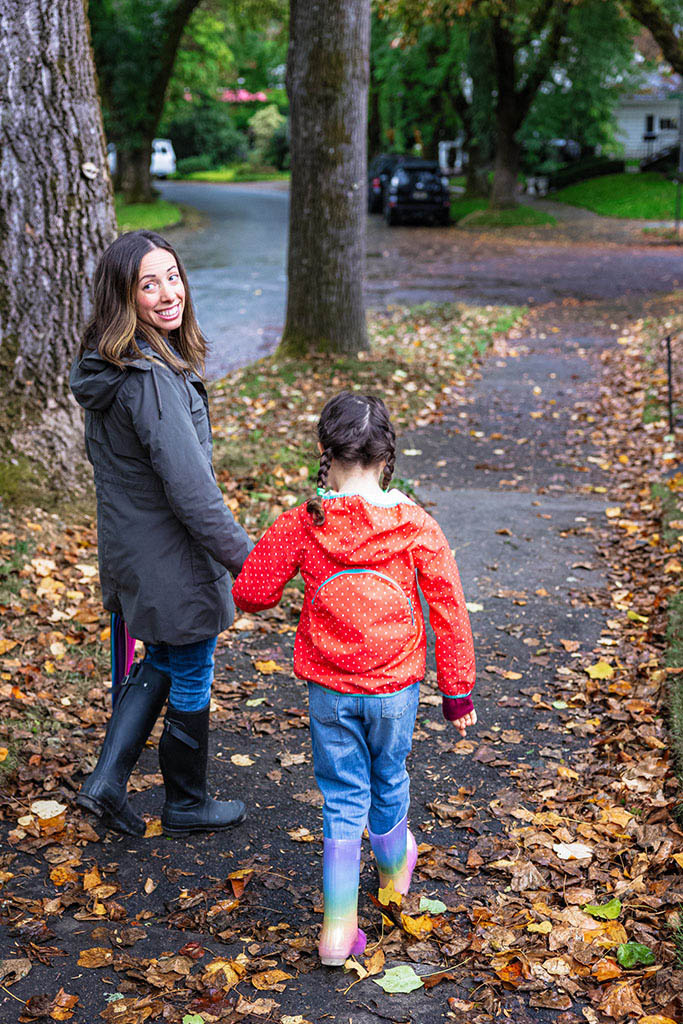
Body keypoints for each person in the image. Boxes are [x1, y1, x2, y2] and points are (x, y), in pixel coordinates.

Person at [232, 392, 476, 966]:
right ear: (388, 453)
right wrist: (457, 691)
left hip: (330, 689)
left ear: (324, 451)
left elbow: (252, 592)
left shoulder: (302, 523)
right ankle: (394, 877)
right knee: (390, 777)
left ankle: (337, 934)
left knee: (342, 798)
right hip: (396, 689)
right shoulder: (415, 524)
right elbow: (449, 610)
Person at [70, 230, 253, 838]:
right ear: (124, 298)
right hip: (170, 554)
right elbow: (191, 490)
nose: (168, 292)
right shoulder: (149, 377)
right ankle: (186, 801)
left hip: (136, 550)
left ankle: (104, 783)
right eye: (148, 284)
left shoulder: (114, 367)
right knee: (193, 664)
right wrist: (247, 562)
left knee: (167, 659)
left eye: (172, 276)